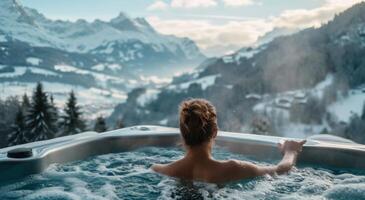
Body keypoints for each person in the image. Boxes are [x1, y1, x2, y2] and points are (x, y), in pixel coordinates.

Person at [152, 98, 306, 183]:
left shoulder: (160, 170)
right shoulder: (233, 169)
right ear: (215, 132)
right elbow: (280, 170)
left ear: (182, 133)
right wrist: (290, 150)